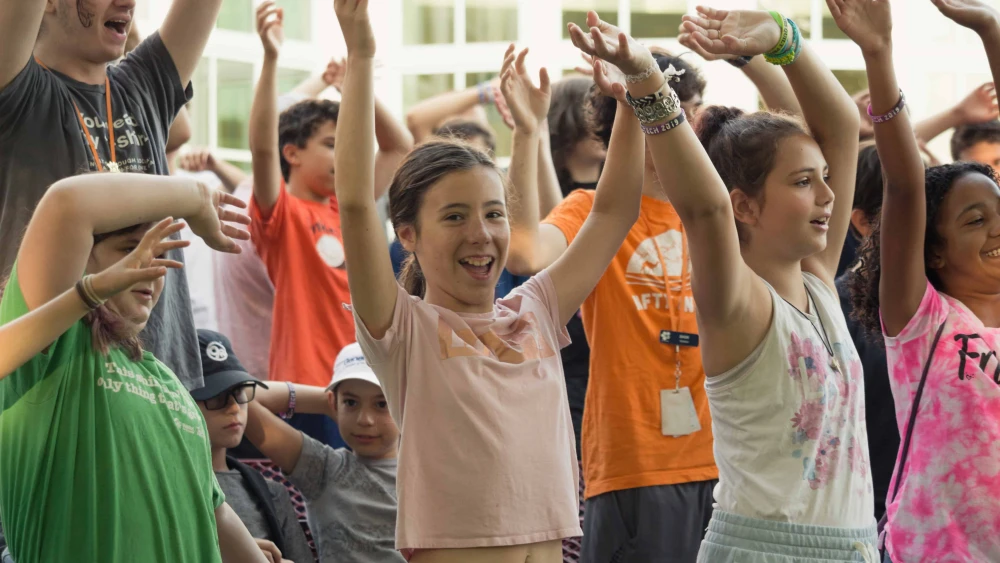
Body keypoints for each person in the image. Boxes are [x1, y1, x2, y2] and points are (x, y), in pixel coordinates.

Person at [335, 0, 649, 558]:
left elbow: (613, 211)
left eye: (494, 213)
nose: (481, 233)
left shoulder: (536, 308)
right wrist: (361, 53)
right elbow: (357, 202)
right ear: (406, 233)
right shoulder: (401, 327)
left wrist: (629, 100)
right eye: (454, 216)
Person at [573, 5, 878, 561]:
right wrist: (646, 79)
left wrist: (782, 39)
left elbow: (838, 125)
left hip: (854, 546)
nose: (829, 197)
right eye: (804, 182)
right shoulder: (737, 303)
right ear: (746, 205)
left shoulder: (818, 283)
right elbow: (707, 209)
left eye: (826, 179)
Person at [0, 171, 268, 563]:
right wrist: (195, 196)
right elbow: (67, 203)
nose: (153, 270)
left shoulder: (165, 379)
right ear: (81, 257)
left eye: (161, 258)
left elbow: (212, 508)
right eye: (130, 249)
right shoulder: (56, 349)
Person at [0, 0, 227, 392]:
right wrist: (193, 196)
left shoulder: (143, 83)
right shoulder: (16, 88)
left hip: (159, 381)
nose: (128, 2)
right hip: (55, 380)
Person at [848, 0, 1000, 559]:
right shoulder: (922, 321)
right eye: (975, 221)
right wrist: (878, 52)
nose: (997, 231)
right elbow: (906, 183)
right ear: (932, 250)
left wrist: (991, 29)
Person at [247, 1, 413, 446]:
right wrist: (270, 59)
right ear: (293, 153)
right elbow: (261, 149)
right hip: (310, 391)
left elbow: (398, 147)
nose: (342, 153)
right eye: (329, 143)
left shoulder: (347, 208)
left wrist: (353, 83)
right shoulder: (281, 214)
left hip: (365, 387)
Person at [245, 342, 402, 563]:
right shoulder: (323, 468)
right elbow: (242, 398)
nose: (364, 420)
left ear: (406, 404)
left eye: (382, 403)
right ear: (333, 403)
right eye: (351, 402)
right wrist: (328, 402)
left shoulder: (428, 472)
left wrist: (342, 402)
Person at [191, 329, 314, 563]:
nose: (234, 408)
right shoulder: (164, 485)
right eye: (215, 397)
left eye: (239, 393)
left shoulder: (270, 492)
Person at [835, 144, 896, 523]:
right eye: (904, 204)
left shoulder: (954, 297)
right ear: (861, 221)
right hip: (869, 512)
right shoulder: (839, 306)